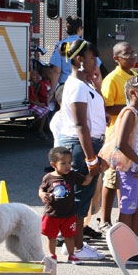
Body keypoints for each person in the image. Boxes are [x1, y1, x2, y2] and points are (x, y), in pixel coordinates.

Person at [56, 39, 107, 261]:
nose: (96, 62)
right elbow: (81, 125)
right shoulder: (76, 87)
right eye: (92, 58)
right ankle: (75, 248)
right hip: (80, 146)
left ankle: (75, 244)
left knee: (82, 198)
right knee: (79, 198)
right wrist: (91, 158)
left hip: (85, 144)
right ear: (80, 60)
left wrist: (96, 86)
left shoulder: (83, 85)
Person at [98, 42, 138, 232]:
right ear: (116, 59)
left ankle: (125, 219)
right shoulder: (112, 79)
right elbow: (105, 107)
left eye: (133, 53)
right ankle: (104, 220)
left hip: (133, 137)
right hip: (116, 136)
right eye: (126, 54)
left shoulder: (136, 76)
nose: (131, 57)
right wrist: (129, 107)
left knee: (126, 178)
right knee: (112, 179)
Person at [114, 76, 138, 253]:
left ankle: (132, 246)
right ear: (132, 93)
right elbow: (122, 144)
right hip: (130, 169)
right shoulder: (130, 113)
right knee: (128, 207)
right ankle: (122, 247)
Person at [39, 146, 98, 263]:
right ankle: (52, 255)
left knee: (69, 236)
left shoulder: (72, 175)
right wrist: (42, 195)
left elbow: (85, 182)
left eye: (69, 162)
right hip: (52, 214)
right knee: (51, 236)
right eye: (63, 163)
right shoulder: (48, 177)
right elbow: (41, 189)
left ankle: (72, 255)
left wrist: (91, 174)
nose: (68, 166)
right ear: (53, 164)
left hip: (69, 214)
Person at [28, 63, 52, 140]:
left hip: (45, 103)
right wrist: (39, 103)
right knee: (45, 111)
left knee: (46, 111)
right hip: (35, 104)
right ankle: (36, 126)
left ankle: (36, 125)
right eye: (34, 75)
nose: (36, 77)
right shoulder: (40, 84)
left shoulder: (49, 83)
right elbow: (35, 95)